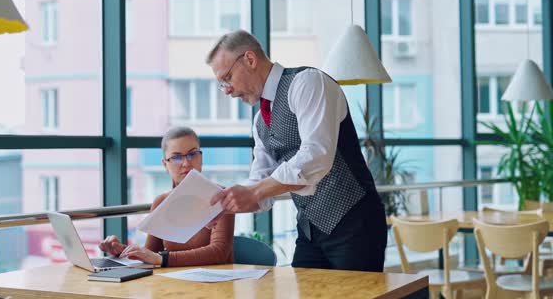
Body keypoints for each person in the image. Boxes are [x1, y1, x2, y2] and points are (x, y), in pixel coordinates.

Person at [207, 30, 387, 271]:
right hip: (310, 231)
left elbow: (316, 156)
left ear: (249, 59)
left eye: (227, 78)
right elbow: (260, 182)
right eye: (222, 84)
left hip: (355, 224)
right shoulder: (261, 120)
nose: (227, 89)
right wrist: (227, 203)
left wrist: (255, 191)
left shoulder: (308, 82)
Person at [99, 126, 234, 267]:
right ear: (165, 164)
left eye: (193, 154)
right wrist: (123, 250)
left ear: (201, 157)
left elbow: (219, 252)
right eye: (176, 157)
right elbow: (150, 254)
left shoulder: (220, 195)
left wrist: (162, 259)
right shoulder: (161, 202)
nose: (186, 163)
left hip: (217, 285)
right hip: (175, 284)